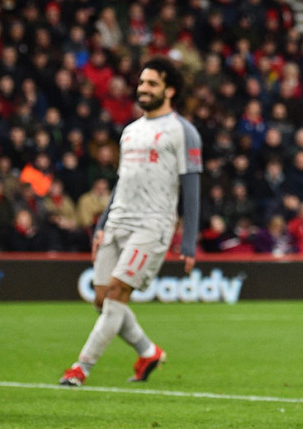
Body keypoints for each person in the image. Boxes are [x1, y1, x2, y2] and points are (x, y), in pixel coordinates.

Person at [60, 57, 201, 386]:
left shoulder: (183, 131)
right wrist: (101, 226)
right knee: (101, 298)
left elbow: (192, 188)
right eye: (141, 83)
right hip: (117, 223)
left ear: (170, 90)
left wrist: (189, 242)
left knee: (117, 293)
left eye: (152, 83)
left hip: (152, 226)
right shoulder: (129, 132)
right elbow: (123, 182)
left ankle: (80, 369)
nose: (143, 89)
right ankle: (148, 351)